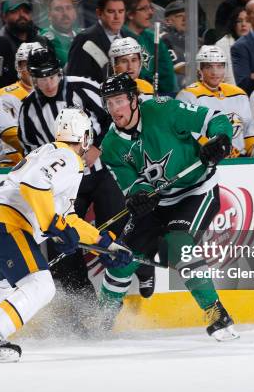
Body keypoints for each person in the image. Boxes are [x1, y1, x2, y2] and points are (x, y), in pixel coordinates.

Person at [0, 107, 132, 363]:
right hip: (7, 224)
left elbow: (68, 218)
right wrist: (53, 226)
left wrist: (106, 245)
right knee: (40, 285)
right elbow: (35, 185)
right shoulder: (67, 157)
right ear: (83, 137)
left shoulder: (49, 153)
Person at [99, 73, 238, 340]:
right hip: (159, 202)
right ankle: (100, 319)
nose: (115, 109)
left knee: (178, 246)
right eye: (109, 103)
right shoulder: (111, 146)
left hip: (196, 191)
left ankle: (216, 313)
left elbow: (215, 119)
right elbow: (134, 186)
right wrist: (139, 197)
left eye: (119, 101)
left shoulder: (164, 110)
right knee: (121, 257)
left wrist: (220, 139)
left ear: (133, 99)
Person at [18, 48, 137, 319]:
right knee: (65, 250)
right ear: (32, 78)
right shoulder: (28, 110)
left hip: (100, 173)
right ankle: (85, 313)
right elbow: (31, 152)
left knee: (123, 230)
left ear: (59, 71)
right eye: (41, 78)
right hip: (65, 187)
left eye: (52, 76)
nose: (48, 83)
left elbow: (115, 120)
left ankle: (135, 278)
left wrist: (97, 149)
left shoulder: (84, 88)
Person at [177, 46, 252, 157]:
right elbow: (187, 135)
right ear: (200, 69)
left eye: (219, 66)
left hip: (240, 159)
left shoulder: (239, 94)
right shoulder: (188, 96)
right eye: (209, 67)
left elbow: (249, 130)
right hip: (207, 159)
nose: (215, 72)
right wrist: (218, 150)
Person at [122, 0, 177, 94]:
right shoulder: (120, 38)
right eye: (143, 9)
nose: (151, 13)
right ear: (130, 14)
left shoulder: (152, 38)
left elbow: (167, 75)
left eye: (150, 8)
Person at [67, 0, 127, 84]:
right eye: (111, 11)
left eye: (121, 11)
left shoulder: (129, 37)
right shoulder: (84, 39)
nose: (117, 17)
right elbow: (74, 81)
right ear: (99, 13)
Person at [0, 0, 47, 90]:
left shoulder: (40, 40)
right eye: (15, 11)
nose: (22, 15)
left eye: (26, 12)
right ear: (4, 17)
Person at [39, 0, 80, 67]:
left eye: (69, 8)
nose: (65, 13)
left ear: (75, 13)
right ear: (49, 15)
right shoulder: (44, 39)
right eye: (58, 9)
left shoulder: (83, 34)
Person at [214, 6, 251, 85]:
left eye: (247, 21)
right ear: (233, 24)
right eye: (239, 21)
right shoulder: (222, 45)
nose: (243, 24)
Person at [161, 0, 186, 89]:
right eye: (179, 16)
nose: (185, 19)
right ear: (168, 21)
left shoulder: (193, 39)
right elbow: (179, 68)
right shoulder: (164, 38)